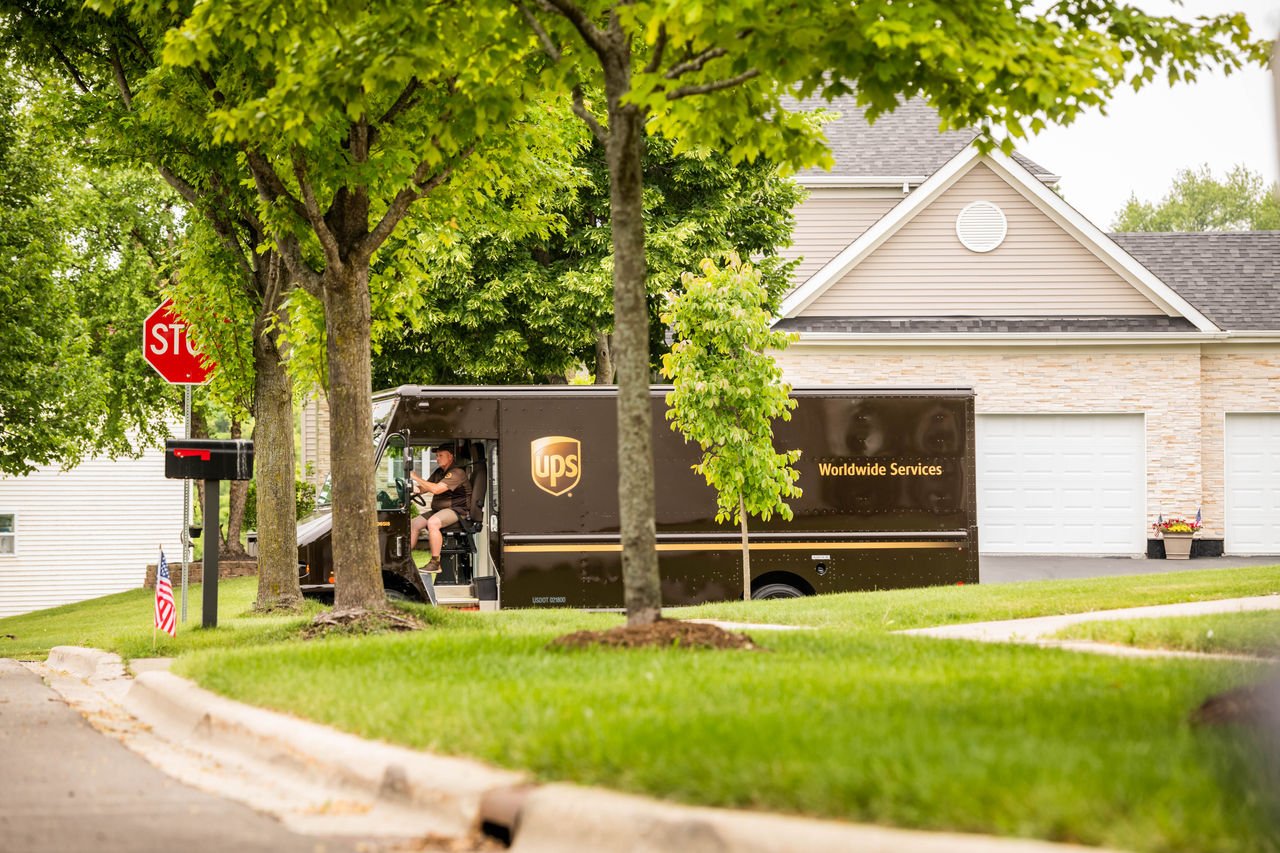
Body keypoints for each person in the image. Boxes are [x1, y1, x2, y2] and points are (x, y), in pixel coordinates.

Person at [409, 443, 471, 575]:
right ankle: (405, 558)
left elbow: (436, 489)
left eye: (440, 455)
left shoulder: (456, 473)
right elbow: (425, 488)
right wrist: (413, 489)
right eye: (436, 456)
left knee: (433, 523)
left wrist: (416, 477)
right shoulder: (439, 472)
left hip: (456, 510)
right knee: (414, 524)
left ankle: (435, 563)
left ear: (450, 457)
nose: (437, 458)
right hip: (439, 510)